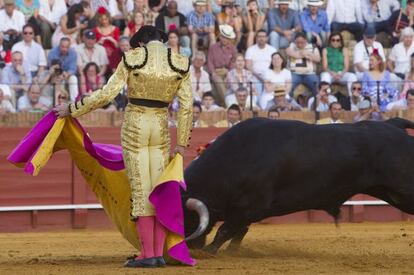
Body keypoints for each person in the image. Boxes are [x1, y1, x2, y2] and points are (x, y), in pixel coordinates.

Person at [53, 25, 192, 268]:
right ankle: (156, 254)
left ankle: (148, 255)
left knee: (141, 191)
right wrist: (181, 143)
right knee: (159, 190)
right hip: (160, 127)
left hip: (137, 126)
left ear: (140, 43)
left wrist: (73, 109)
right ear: (161, 40)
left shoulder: (133, 57)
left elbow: (107, 95)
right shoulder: (180, 62)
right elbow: (187, 107)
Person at [207, 24, 237, 106]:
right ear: (220, 36)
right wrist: (212, 73)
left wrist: (229, 74)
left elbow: (233, 62)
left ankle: (225, 104)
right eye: (223, 37)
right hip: (216, 71)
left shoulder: (233, 49)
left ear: (229, 39)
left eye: (226, 38)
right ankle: (229, 105)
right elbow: (210, 61)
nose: (224, 39)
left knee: (229, 82)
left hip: (227, 71)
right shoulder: (213, 47)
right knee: (218, 80)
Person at [320, 32, 357, 97]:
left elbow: (346, 66)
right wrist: (333, 74)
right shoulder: (325, 50)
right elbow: (325, 67)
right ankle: (325, 98)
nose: (335, 42)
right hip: (330, 73)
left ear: (340, 41)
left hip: (341, 73)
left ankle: (353, 99)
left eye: (338, 40)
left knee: (352, 76)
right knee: (325, 77)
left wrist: (341, 74)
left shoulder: (344, 50)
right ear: (330, 41)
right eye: (333, 40)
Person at [286, 32, 320, 98]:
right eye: (297, 42)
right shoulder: (291, 45)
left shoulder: (312, 47)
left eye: (302, 42)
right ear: (295, 41)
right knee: (288, 87)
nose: (299, 44)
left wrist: (307, 54)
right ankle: (289, 104)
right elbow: (290, 53)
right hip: (294, 73)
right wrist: (305, 54)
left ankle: (315, 104)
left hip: (309, 73)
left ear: (306, 40)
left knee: (317, 87)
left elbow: (318, 59)